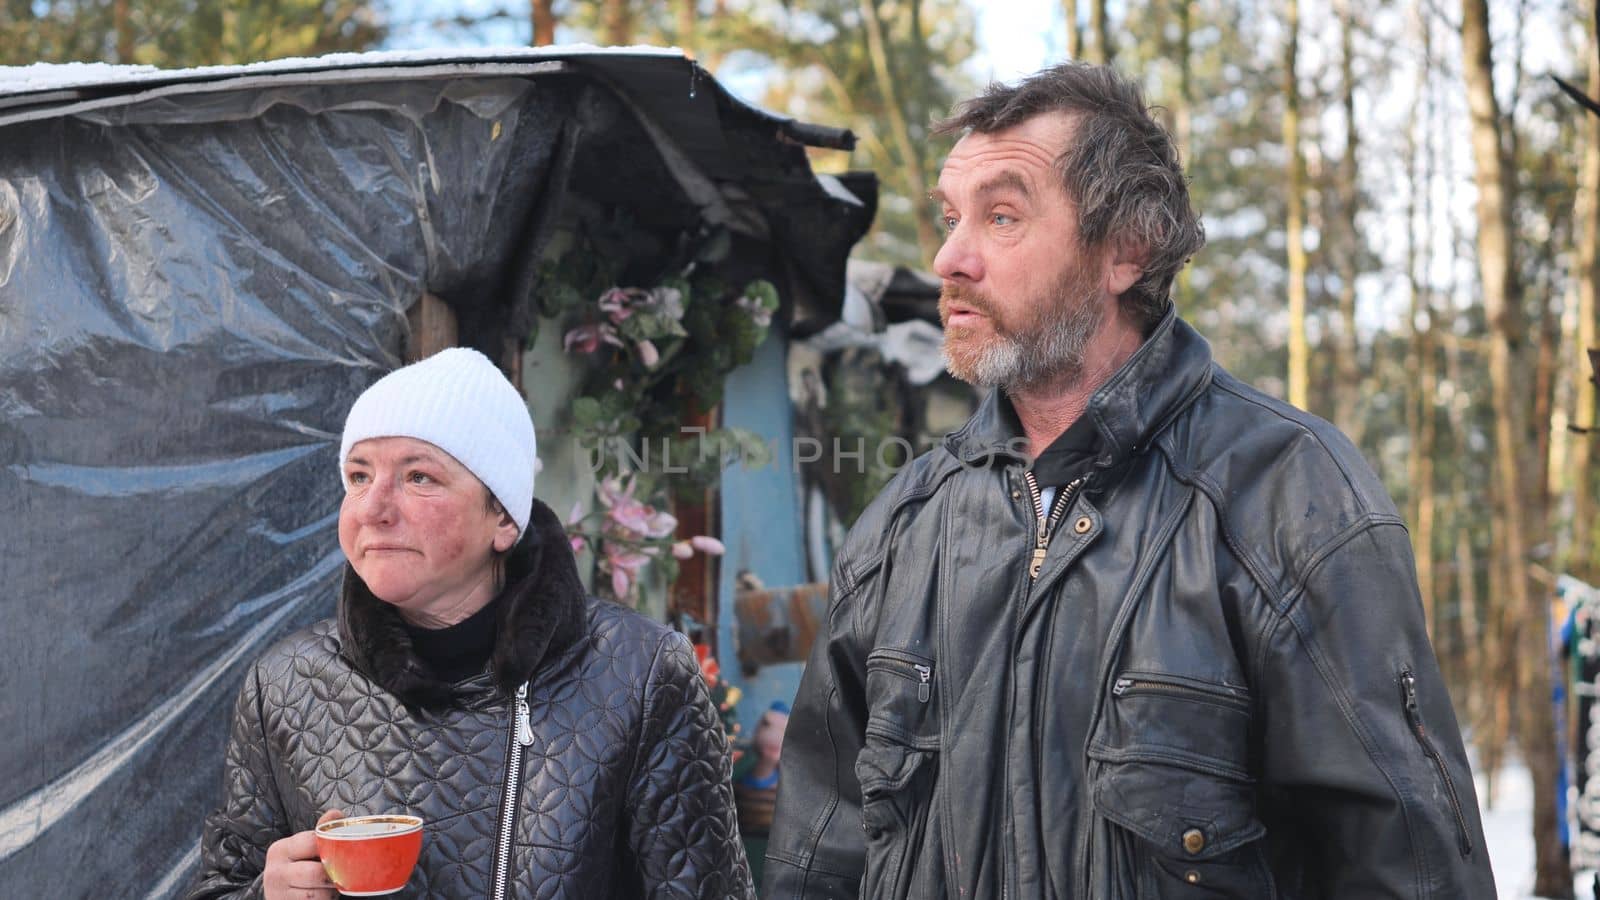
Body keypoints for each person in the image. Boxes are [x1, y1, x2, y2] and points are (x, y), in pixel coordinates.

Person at [764, 63, 1496, 899]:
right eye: (949, 217)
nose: (948, 257)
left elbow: (1409, 871)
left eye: (1001, 216)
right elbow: (818, 860)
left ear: (1126, 250)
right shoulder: (905, 526)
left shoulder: (1290, 499)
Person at [187, 347, 752, 899]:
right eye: (359, 476)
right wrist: (267, 893)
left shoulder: (641, 676)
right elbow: (221, 885)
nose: (374, 507)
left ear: (503, 516)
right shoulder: (285, 687)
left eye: (418, 478)